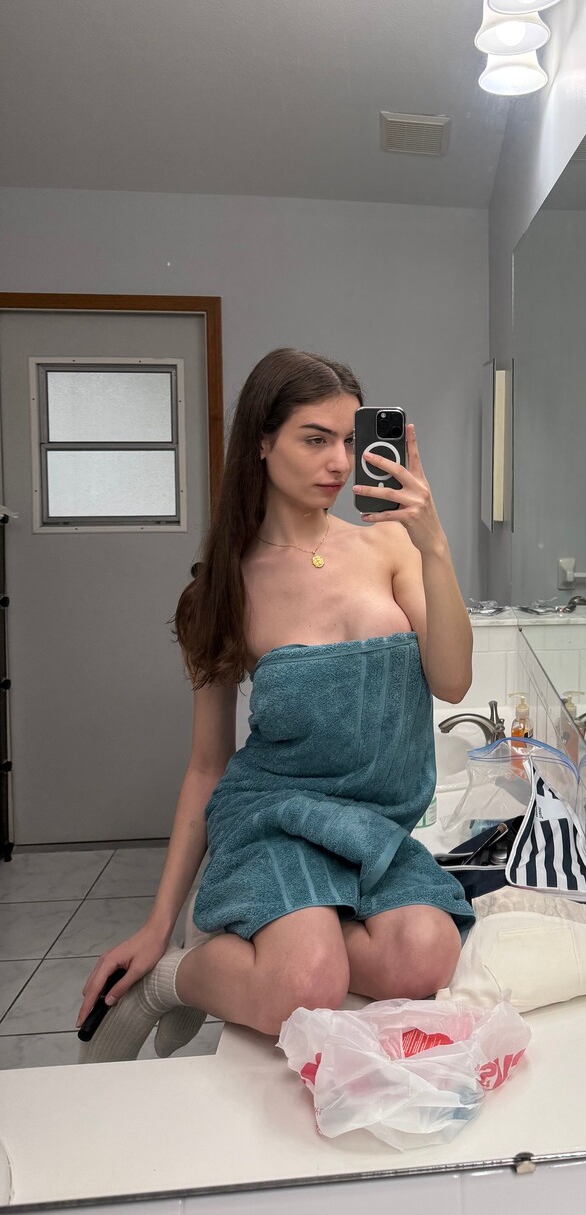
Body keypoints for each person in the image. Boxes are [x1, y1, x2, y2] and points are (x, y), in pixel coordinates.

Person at [77, 348, 475, 1060]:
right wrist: (158, 923)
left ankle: (291, 930)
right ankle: (174, 981)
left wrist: (435, 545)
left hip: (373, 824)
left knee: (424, 957)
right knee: (307, 986)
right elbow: (207, 766)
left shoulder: (391, 546)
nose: (339, 462)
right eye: (314, 439)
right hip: (276, 817)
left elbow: (453, 681)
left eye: (348, 440)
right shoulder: (222, 591)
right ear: (262, 442)